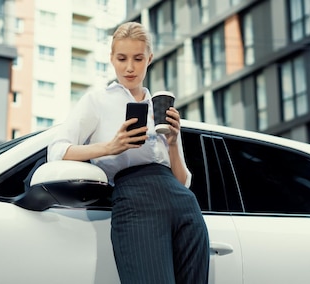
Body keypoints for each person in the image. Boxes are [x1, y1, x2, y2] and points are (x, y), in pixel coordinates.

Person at [47, 21, 209, 284]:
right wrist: (111, 146)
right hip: (135, 200)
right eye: (122, 58)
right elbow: (56, 151)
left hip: (183, 204)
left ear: (150, 59)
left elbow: (183, 182)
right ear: (111, 58)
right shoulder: (97, 100)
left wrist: (173, 141)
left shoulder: (158, 106)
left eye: (138, 58)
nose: (130, 67)